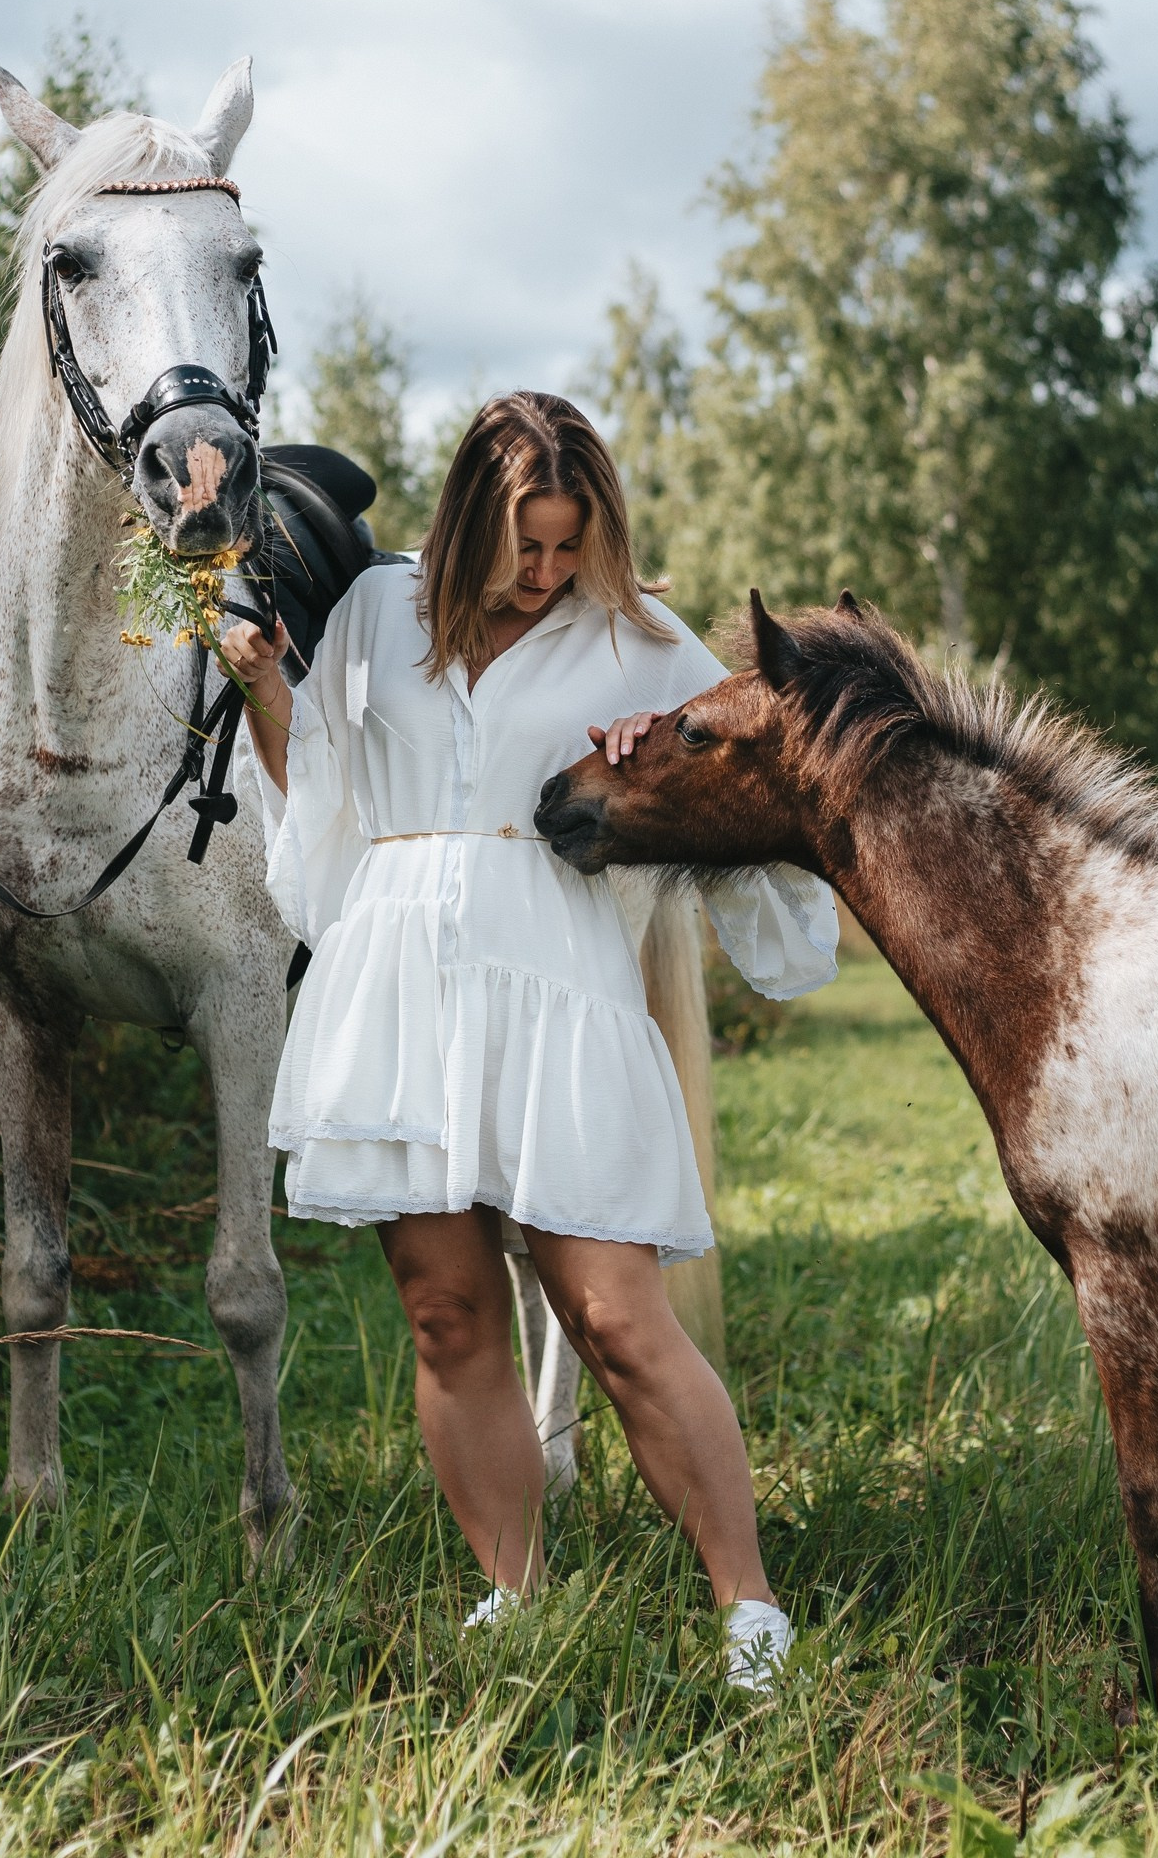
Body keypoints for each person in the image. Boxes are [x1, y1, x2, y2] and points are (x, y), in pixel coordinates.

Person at [221, 391, 837, 1689]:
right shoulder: (374, 616)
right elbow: (316, 806)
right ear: (463, 530)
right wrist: (262, 684)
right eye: (526, 549)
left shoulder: (633, 636)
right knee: (445, 1315)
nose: (547, 573)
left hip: (554, 981)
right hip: (395, 983)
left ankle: (750, 1613)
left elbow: (755, 767)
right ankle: (512, 1596)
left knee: (614, 1316)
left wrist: (661, 752)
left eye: (568, 545)